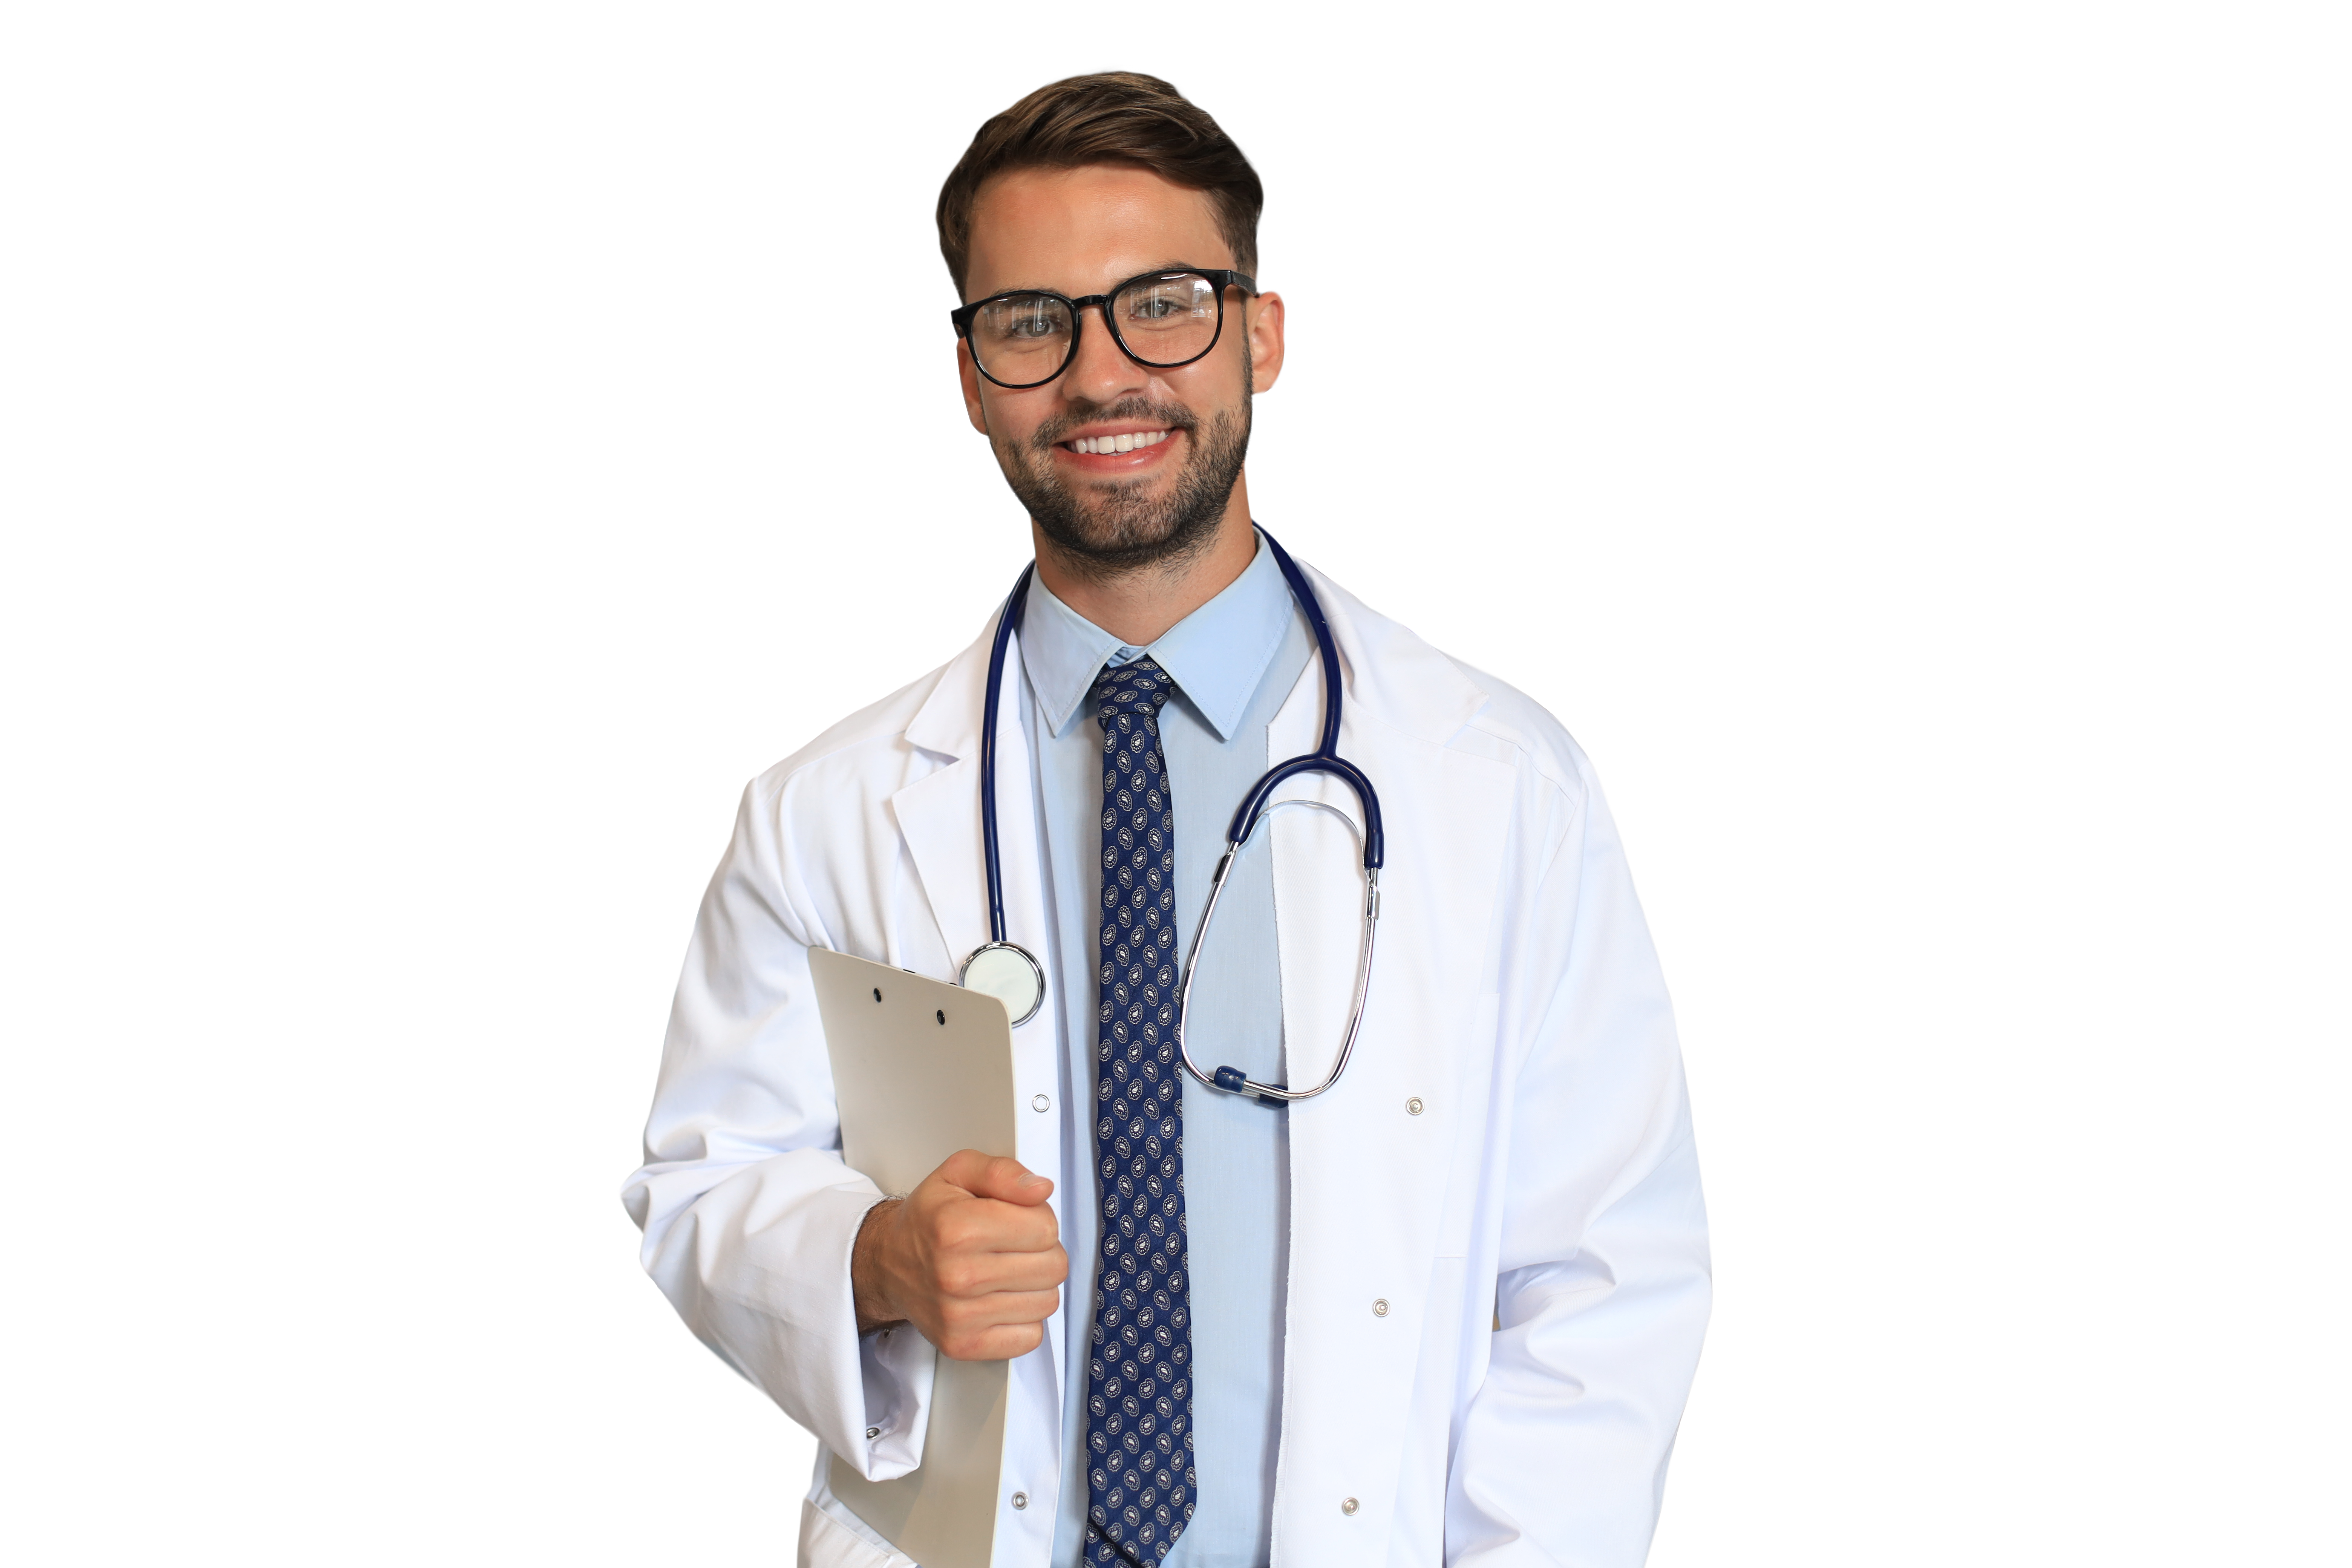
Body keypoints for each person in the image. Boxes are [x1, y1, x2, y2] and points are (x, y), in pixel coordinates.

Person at [621, 65, 1710, 1568]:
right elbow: (701, 1186)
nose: (1100, 373)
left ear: (1260, 332)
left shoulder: (1495, 780)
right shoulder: (830, 810)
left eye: (1166, 302)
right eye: (1032, 321)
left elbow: (1606, 1277)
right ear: (969, 371)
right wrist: (873, 1257)